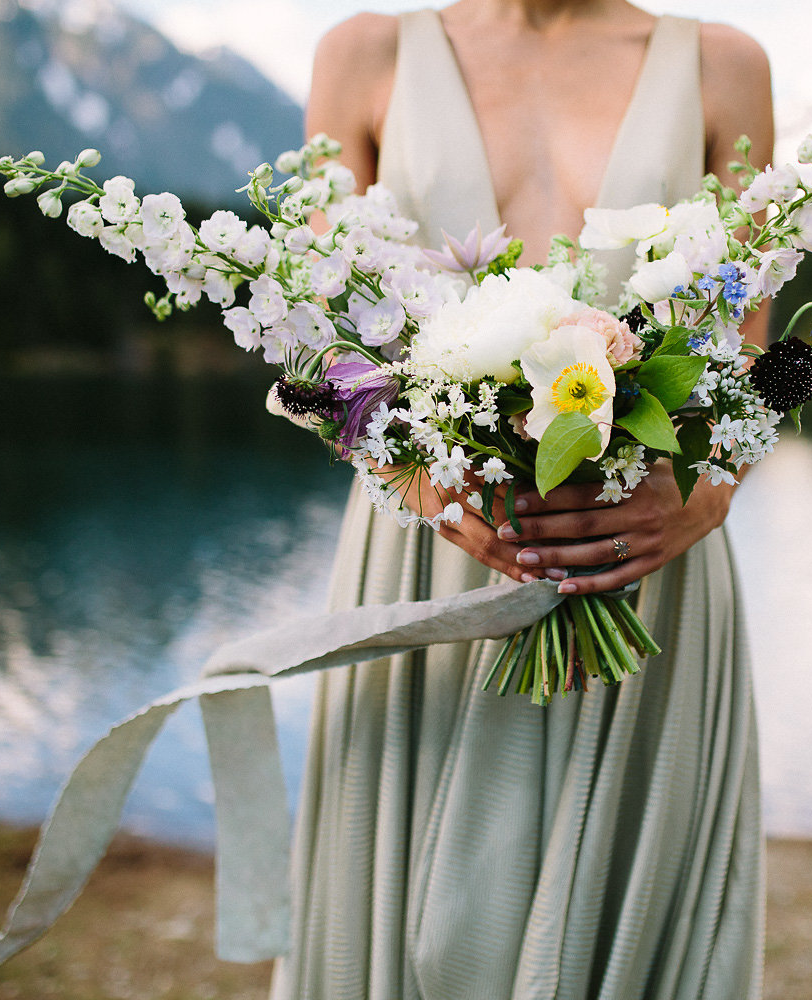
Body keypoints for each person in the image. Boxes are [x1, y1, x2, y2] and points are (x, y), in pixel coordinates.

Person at [275, 2, 775, 997]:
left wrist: (709, 491)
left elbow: (752, 330)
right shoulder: (363, 54)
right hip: (426, 550)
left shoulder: (722, 65)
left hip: (647, 552)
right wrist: (423, 479)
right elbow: (311, 338)